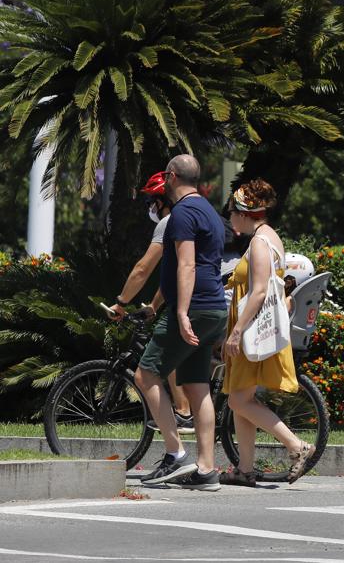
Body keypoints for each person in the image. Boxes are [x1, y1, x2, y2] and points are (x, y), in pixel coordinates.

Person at [133, 155, 228, 491]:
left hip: (195, 309)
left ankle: (176, 453)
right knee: (197, 385)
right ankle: (205, 470)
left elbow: (186, 266)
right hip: (215, 308)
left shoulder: (182, 214)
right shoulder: (211, 213)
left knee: (145, 374)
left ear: (171, 177)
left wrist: (182, 312)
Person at [218, 179, 315, 487]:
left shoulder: (260, 243)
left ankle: (296, 446)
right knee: (241, 398)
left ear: (245, 213)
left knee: (238, 400)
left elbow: (259, 292)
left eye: (232, 211)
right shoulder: (268, 237)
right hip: (257, 329)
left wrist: (235, 332)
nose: (230, 217)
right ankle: (244, 469)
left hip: (251, 330)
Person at [107, 171, 193, 434]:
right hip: (214, 293)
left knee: (166, 350)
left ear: (162, 201)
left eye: (151, 202)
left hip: (202, 298)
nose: (150, 208)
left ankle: (184, 412)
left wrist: (121, 303)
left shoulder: (168, 222)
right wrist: (154, 306)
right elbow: (174, 276)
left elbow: (143, 269)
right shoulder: (191, 215)